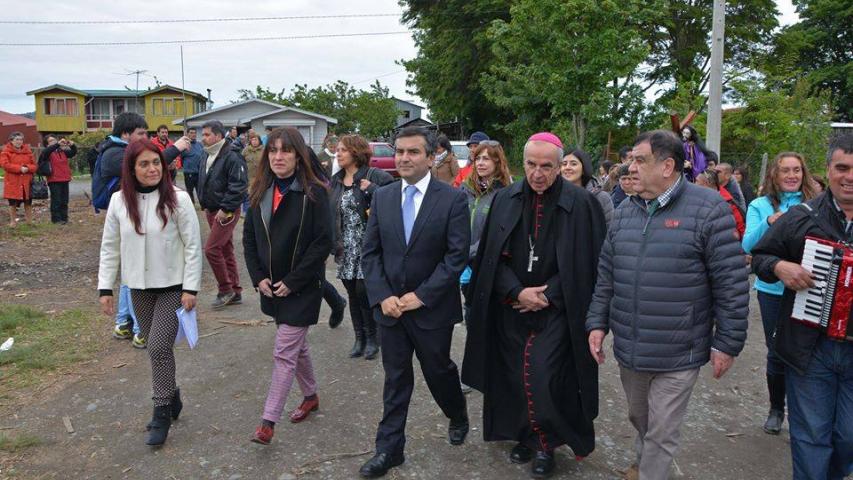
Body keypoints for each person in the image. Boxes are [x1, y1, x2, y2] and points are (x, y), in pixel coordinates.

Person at [586, 130, 749, 480]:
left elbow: (732, 282)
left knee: (662, 432)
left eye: (640, 160)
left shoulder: (708, 209)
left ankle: (651, 472)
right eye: (631, 159)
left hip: (680, 350)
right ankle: (650, 466)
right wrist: (597, 323)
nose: (631, 166)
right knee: (640, 419)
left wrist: (727, 342)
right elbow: (606, 276)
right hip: (632, 348)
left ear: (667, 166)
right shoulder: (625, 212)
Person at [462, 132, 606, 478]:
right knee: (512, 374)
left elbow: (590, 261)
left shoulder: (581, 203)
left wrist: (547, 294)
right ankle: (524, 435)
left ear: (560, 166)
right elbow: (489, 258)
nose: (538, 174)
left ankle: (547, 445)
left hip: (559, 308)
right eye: (531, 165)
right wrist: (516, 291)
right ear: (521, 162)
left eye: (546, 166)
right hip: (510, 306)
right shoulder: (505, 199)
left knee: (545, 375)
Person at [359, 127, 470, 478]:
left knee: (438, 371)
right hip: (391, 310)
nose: (404, 158)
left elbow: (455, 258)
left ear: (430, 157)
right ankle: (389, 449)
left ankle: (457, 412)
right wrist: (383, 296)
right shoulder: (384, 197)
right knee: (396, 379)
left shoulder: (452, 199)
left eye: (413, 152)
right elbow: (370, 253)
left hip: (431, 310)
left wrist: (421, 296)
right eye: (400, 152)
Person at [750, 134, 853, 480]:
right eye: (842, 168)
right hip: (811, 347)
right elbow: (761, 256)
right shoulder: (803, 216)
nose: (849, 176)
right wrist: (780, 267)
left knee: (848, 439)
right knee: (810, 438)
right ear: (828, 170)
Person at [97, 138, 202, 446]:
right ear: (132, 168)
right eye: (144, 163)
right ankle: (172, 393)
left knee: (156, 347)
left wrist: (191, 287)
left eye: (156, 162)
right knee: (160, 351)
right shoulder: (119, 201)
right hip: (138, 289)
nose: (152, 168)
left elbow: (193, 246)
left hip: (173, 287)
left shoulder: (178, 199)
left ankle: (161, 412)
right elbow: (109, 247)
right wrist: (106, 287)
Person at [242, 126, 332, 445]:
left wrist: (294, 282)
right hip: (272, 288)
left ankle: (268, 422)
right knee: (297, 346)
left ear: (298, 155)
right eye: (273, 150)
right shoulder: (259, 189)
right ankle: (310, 396)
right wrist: (258, 277)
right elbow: (249, 239)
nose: (279, 157)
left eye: (286, 150)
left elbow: (323, 243)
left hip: (303, 287)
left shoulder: (315, 192)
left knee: (284, 350)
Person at [741, 152, 817, 435]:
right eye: (785, 170)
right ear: (774, 174)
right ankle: (776, 408)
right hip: (772, 290)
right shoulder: (759, 205)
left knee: (811, 351)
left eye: (797, 170)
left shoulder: (815, 204)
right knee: (777, 351)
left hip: (810, 286)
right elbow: (747, 245)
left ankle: (805, 413)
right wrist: (770, 221)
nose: (791, 175)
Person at [330, 134, 394, 360]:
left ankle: (373, 338)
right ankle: (359, 338)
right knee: (351, 292)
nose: (338, 154)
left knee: (364, 291)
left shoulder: (374, 175)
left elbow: (396, 198)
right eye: (337, 150)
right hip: (345, 246)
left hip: (367, 245)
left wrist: (374, 189)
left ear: (356, 152)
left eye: (343, 150)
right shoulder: (336, 180)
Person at [92, 112, 149, 346]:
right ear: (126, 134)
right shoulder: (117, 154)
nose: (146, 137)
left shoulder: (116, 150)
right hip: (126, 212)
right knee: (134, 270)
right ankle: (140, 328)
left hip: (128, 210)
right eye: (141, 133)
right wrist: (173, 150)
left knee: (129, 270)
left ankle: (124, 322)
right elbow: (147, 168)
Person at [196, 120, 248, 309]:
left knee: (211, 249)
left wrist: (226, 208)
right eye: (203, 135)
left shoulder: (232, 156)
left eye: (207, 134)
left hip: (225, 211)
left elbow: (239, 186)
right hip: (211, 209)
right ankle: (235, 291)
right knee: (225, 249)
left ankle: (226, 289)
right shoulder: (206, 154)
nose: (204, 138)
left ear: (218, 136)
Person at [560, 148, 614, 226]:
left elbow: (609, 230)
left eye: (573, 164)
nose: (567, 167)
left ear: (584, 168)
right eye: (564, 164)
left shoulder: (600, 197)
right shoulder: (555, 195)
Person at [695, 169, 746, 239]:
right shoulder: (697, 199)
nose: (694, 184)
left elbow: (741, 231)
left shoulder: (728, 204)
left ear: (706, 183)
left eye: (697, 181)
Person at [0, 132, 37, 227]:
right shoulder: (5, 152)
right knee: (13, 203)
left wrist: (28, 168)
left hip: (26, 182)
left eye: (21, 139)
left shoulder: (28, 152)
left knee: (28, 202)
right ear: (11, 141)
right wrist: (19, 169)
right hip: (13, 182)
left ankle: (29, 221)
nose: (19, 141)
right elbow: (5, 165)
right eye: (17, 139)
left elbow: (35, 166)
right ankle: (13, 222)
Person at [38, 135, 76, 224]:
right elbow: (46, 152)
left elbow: (73, 153)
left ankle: (64, 218)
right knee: (56, 200)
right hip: (54, 180)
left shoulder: (62, 151)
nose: (54, 142)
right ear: (47, 144)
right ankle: (56, 219)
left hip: (65, 178)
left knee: (64, 200)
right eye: (51, 141)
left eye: (54, 140)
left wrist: (72, 145)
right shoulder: (46, 152)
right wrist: (57, 144)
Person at [178, 127, 204, 205]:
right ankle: (191, 204)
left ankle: (203, 205)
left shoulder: (199, 144)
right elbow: (181, 158)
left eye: (194, 133)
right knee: (189, 190)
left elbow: (203, 156)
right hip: (189, 172)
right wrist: (187, 166)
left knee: (200, 189)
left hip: (199, 172)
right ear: (187, 134)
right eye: (191, 133)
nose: (193, 134)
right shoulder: (184, 144)